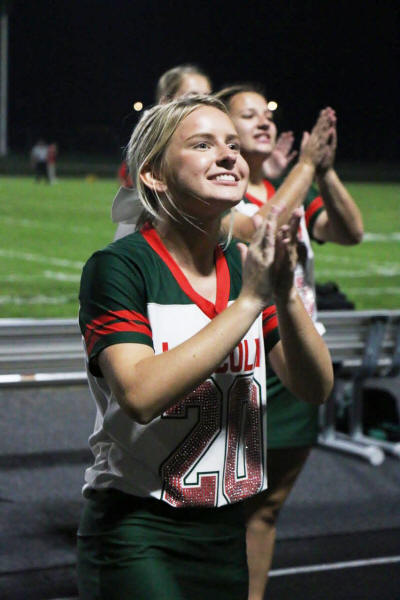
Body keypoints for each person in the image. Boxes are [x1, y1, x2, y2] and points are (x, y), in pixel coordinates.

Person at [77, 95, 333, 600]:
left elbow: (314, 387)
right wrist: (251, 300)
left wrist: (283, 292)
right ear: (153, 174)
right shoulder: (120, 267)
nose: (228, 156)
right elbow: (141, 394)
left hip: (224, 531)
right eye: (202, 144)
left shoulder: (243, 265)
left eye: (232, 145)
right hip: (138, 528)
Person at [216, 84, 364, 600]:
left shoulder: (291, 186)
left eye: (267, 114)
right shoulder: (222, 194)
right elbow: (263, 225)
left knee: (267, 507)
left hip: (296, 357)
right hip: (247, 363)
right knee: (224, 506)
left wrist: (323, 171)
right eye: (247, 115)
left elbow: (350, 231)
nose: (263, 121)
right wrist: (303, 166)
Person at [112, 64, 212, 241]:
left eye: (208, 96)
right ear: (166, 101)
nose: (203, 103)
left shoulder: (209, 133)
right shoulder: (153, 133)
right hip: (145, 225)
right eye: (193, 96)